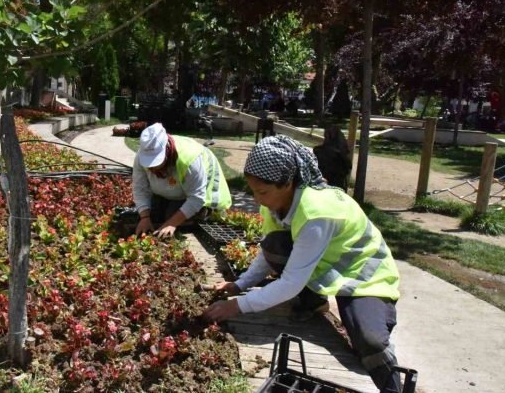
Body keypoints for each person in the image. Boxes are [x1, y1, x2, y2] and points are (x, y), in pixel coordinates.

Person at [203, 135, 402, 392]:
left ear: (288, 183)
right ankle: (313, 301)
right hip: (325, 268)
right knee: (276, 243)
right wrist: (240, 284)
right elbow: (268, 253)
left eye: (262, 191)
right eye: (253, 190)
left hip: (364, 277)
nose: (256, 199)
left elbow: (291, 283)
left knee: (369, 340)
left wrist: (237, 307)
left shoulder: (316, 211)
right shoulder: (276, 205)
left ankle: (393, 386)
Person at [132, 123, 232, 238]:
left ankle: (204, 212)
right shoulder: (141, 155)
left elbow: (196, 198)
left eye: (156, 162)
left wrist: (171, 224)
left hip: (198, 192)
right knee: (155, 216)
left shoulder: (190, 159)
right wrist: (144, 217)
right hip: (174, 190)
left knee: (171, 217)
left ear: (167, 149)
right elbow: (140, 187)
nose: (152, 168)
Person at [312, 125, 352, 191]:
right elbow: (348, 167)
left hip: (327, 183)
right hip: (333, 184)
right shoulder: (340, 154)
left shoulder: (318, 151)